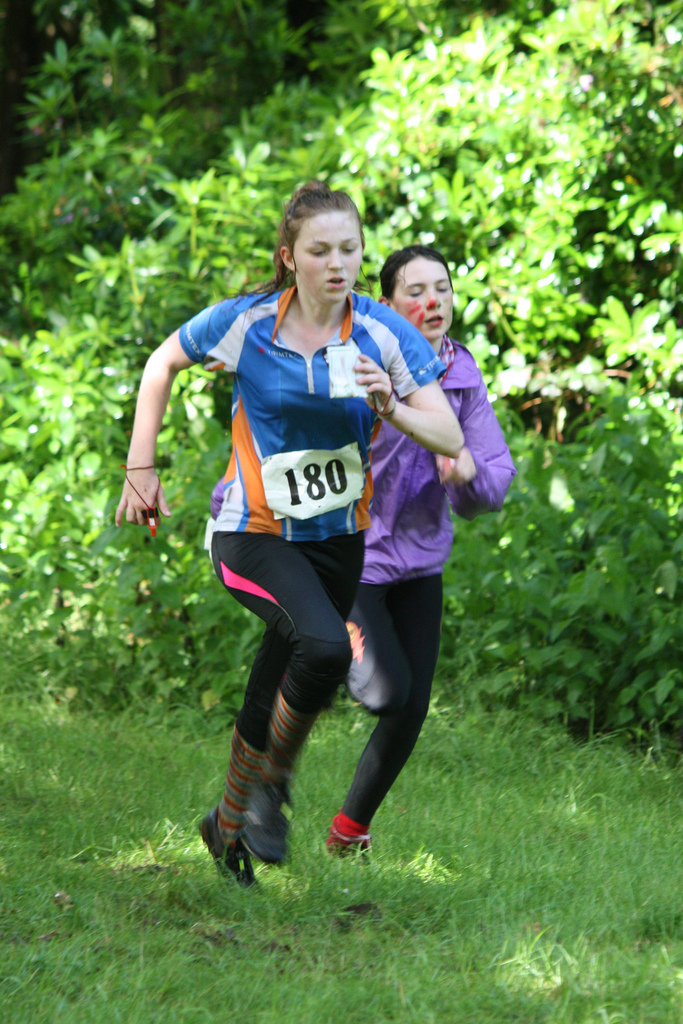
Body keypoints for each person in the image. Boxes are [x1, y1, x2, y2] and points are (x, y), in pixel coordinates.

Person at [116, 185, 464, 887]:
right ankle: (273, 782)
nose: (337, 263)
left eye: (349, 249)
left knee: (279, 673)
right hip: (252, 533)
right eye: (320, 250)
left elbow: (448, 434)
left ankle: (225, 823)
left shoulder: (380, 333)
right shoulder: (246, 323)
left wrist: (390, 405)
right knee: (327, 647)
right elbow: (161, 364)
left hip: (337, 540)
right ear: (289, 257)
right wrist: (140, 467)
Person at [228, 244, 515, 863]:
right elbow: (293, 435)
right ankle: (270, 775)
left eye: (442, 288)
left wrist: (464, 472)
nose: (432, 302)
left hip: (420, 564)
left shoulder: (460, 376)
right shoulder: (353, 362)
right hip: (353, 560)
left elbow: (493, 478)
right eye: (415, 290)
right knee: (379, 689)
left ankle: (349, 830)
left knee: (409, 707)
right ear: (386, 302)